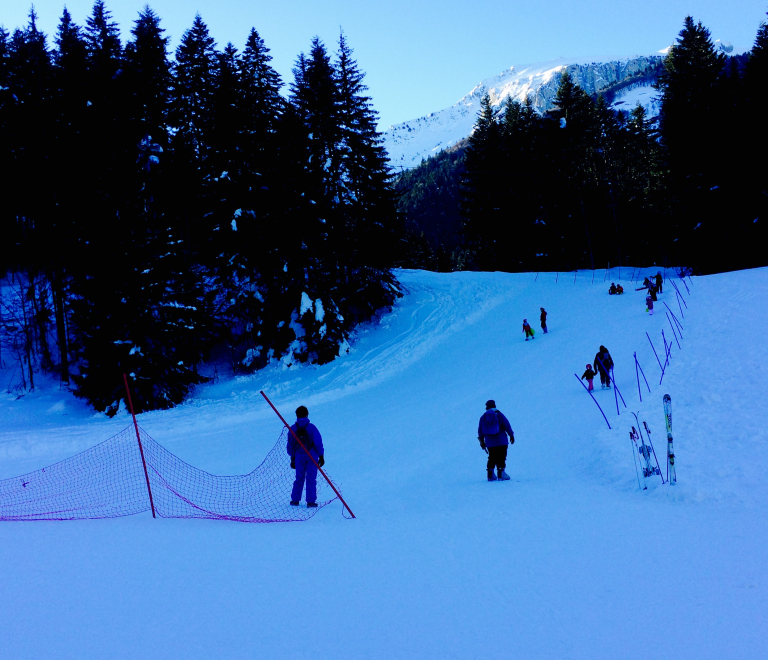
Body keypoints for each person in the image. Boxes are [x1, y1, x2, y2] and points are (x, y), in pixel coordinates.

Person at [287, 405, 325, 507]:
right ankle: (310, 501)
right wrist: (321, 455)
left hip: (299, 456)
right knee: (311, 478)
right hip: (312, 456)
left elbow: (290, 445)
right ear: (307, 414)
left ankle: (295, 500)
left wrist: (292, 457)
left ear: (296, 415)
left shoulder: (293, 428)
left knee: (299, 478)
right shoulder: (312, 427)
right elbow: (318, 442)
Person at [477, 400, 514, 481]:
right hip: (501, 441)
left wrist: (481, 441)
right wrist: (511, 435)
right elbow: (507, 425)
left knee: (491, 457)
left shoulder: (483, 417)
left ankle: (490, 475)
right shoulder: (500, 415)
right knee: (502, 457)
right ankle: (501, 474)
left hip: (490, 442)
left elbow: (480, 430)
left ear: (487, 407)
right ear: (494, 405)